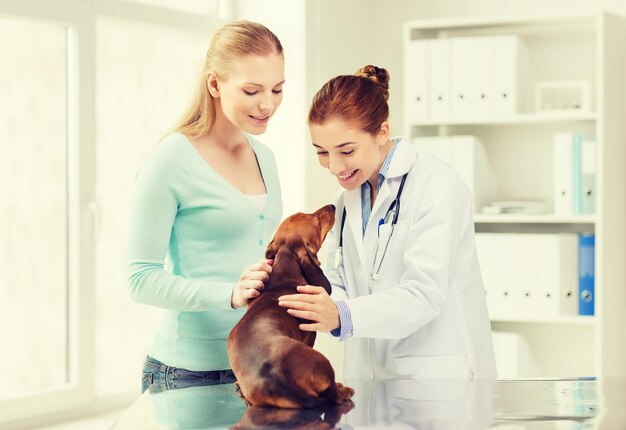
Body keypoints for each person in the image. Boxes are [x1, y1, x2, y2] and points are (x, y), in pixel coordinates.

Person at [278, 65, 496, 379]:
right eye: (322, 153)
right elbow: (336, 279)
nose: (334, 166)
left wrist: (342, 314)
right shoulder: (346, 200)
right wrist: (316, 301)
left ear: (382, 131)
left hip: (434, 380)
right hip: (366, 377)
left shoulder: (436, 185)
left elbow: (423, 293)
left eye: (346, 150)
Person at [127, 20, 285, 393]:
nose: (268, 104)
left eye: (278, 89)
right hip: (187, 374)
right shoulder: (171, 160)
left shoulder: (266, 157)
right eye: (252, 90)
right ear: (214, 84)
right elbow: (140, 280)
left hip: (258, 368)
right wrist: (228, 294)